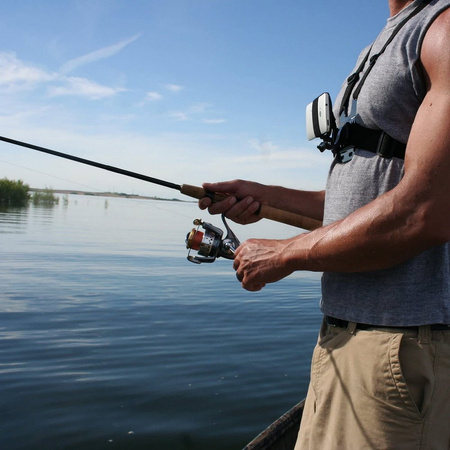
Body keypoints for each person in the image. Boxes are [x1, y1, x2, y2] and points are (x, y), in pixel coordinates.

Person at [198, 0, 450, 448]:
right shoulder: (382, 41)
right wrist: (265, 196)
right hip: (343, 341)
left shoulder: (442, 28)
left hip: (397, 345)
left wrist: (285, 253)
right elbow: (356, 205)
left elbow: (426, 210)